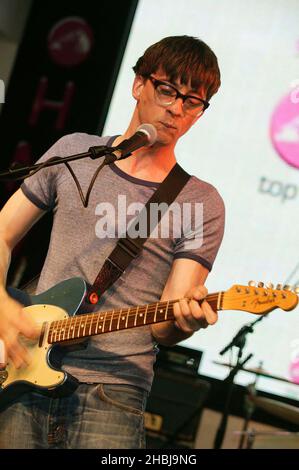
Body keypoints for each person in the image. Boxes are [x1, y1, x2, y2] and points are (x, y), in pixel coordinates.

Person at [0, 35, 225, 448]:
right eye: (168, 90)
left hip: (113, 393)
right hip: (22, 369)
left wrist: (185, 324)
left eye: (193, 101)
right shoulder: (74, 151)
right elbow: (3, 233)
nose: (176, 108)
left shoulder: (200, 201)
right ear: (139, 84)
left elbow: (164, 325)